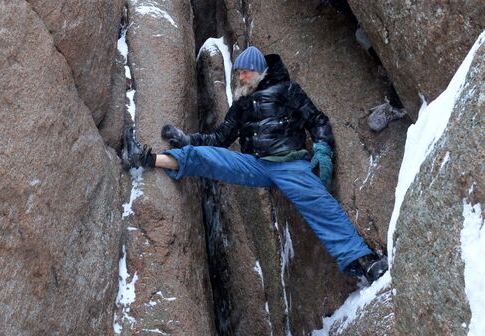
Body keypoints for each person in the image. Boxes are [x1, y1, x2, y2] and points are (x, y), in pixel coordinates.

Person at [121, 46, 388, 284]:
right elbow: (220, 138)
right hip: (255, 165)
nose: (240, 77)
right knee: (207, 157)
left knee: (320, 205)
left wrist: (322, 148)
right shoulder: (242, 104)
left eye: (245, 72)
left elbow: (317, 119)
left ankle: (365, 262)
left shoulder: (288, 91)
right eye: (238, 73)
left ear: (259, 71)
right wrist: (187, 139)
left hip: (289, 163)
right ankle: (146, 158)